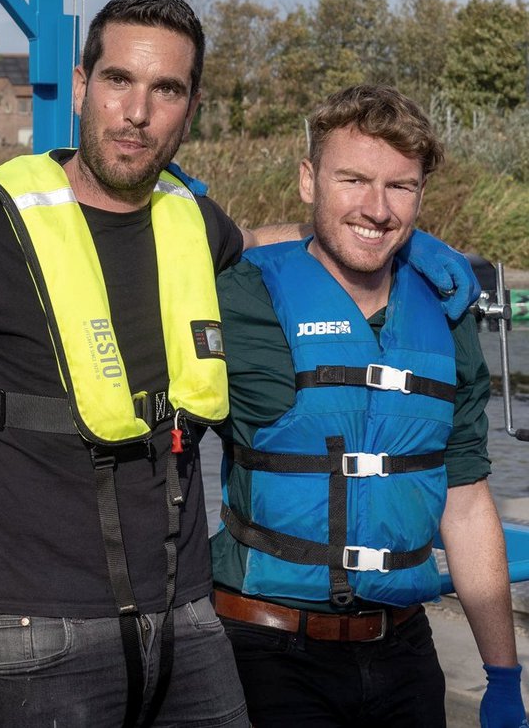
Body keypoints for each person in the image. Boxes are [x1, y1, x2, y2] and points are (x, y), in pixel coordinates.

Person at [0, 0, 254, 728]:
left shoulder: (202, 228)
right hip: (35, 634)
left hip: (189, 620)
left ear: (189, 109)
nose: (138, 111)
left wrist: (408, 256)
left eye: (167, 90)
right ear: (84, 86)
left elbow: (283, 263)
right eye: (119, 80)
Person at [212, 84, 528, 728]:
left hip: (405, 656)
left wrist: (503, 677)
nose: (377, 208)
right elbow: (146, 232)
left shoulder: (446, 310)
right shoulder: (240, 294)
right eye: (352, 179)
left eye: (401, 187)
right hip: (265, 650)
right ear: (308, 180)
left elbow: (465, 504)